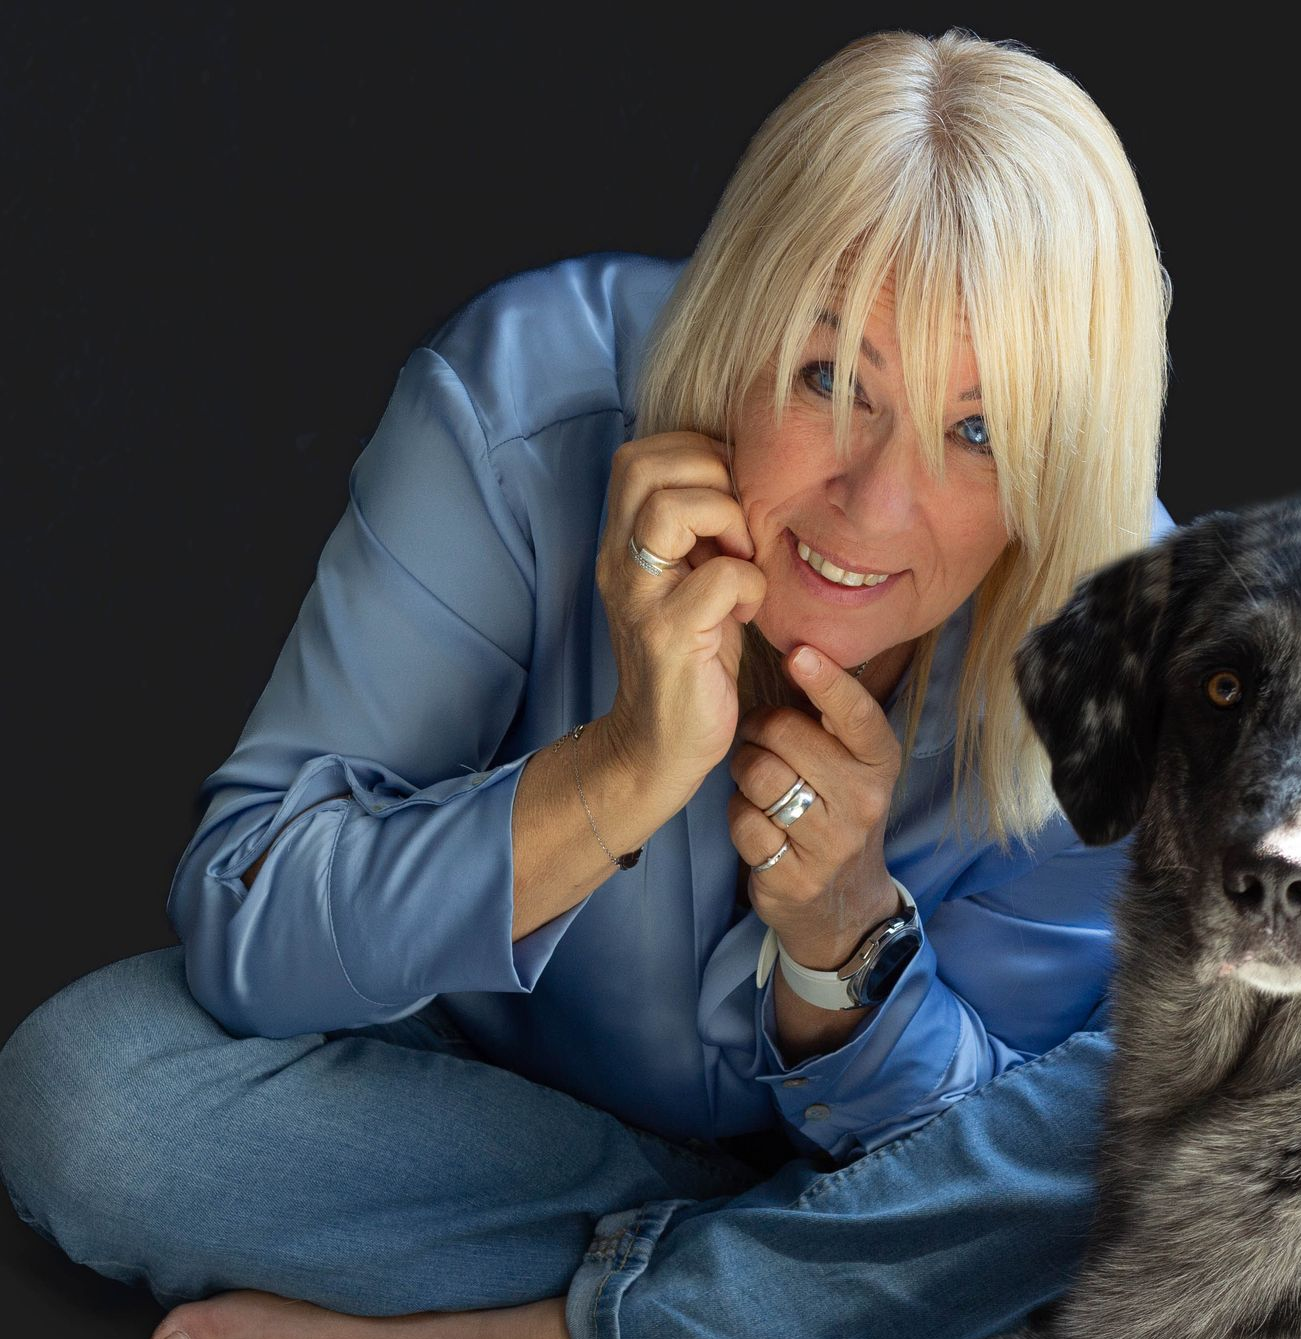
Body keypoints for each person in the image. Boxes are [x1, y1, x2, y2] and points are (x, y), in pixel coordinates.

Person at [0, 27, 1175, 1339]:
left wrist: (845, 943)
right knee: (92, 1098)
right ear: (736, 322)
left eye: (981, 431)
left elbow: (968, 1145)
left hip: (860, 1181)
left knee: (1152, 1125)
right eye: (832, 378)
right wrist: (619, 769)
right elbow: (249, 917)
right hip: (491, 1122)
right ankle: (746, 1294)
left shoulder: (1126, 647)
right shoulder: (519, 406)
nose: (876, 502)